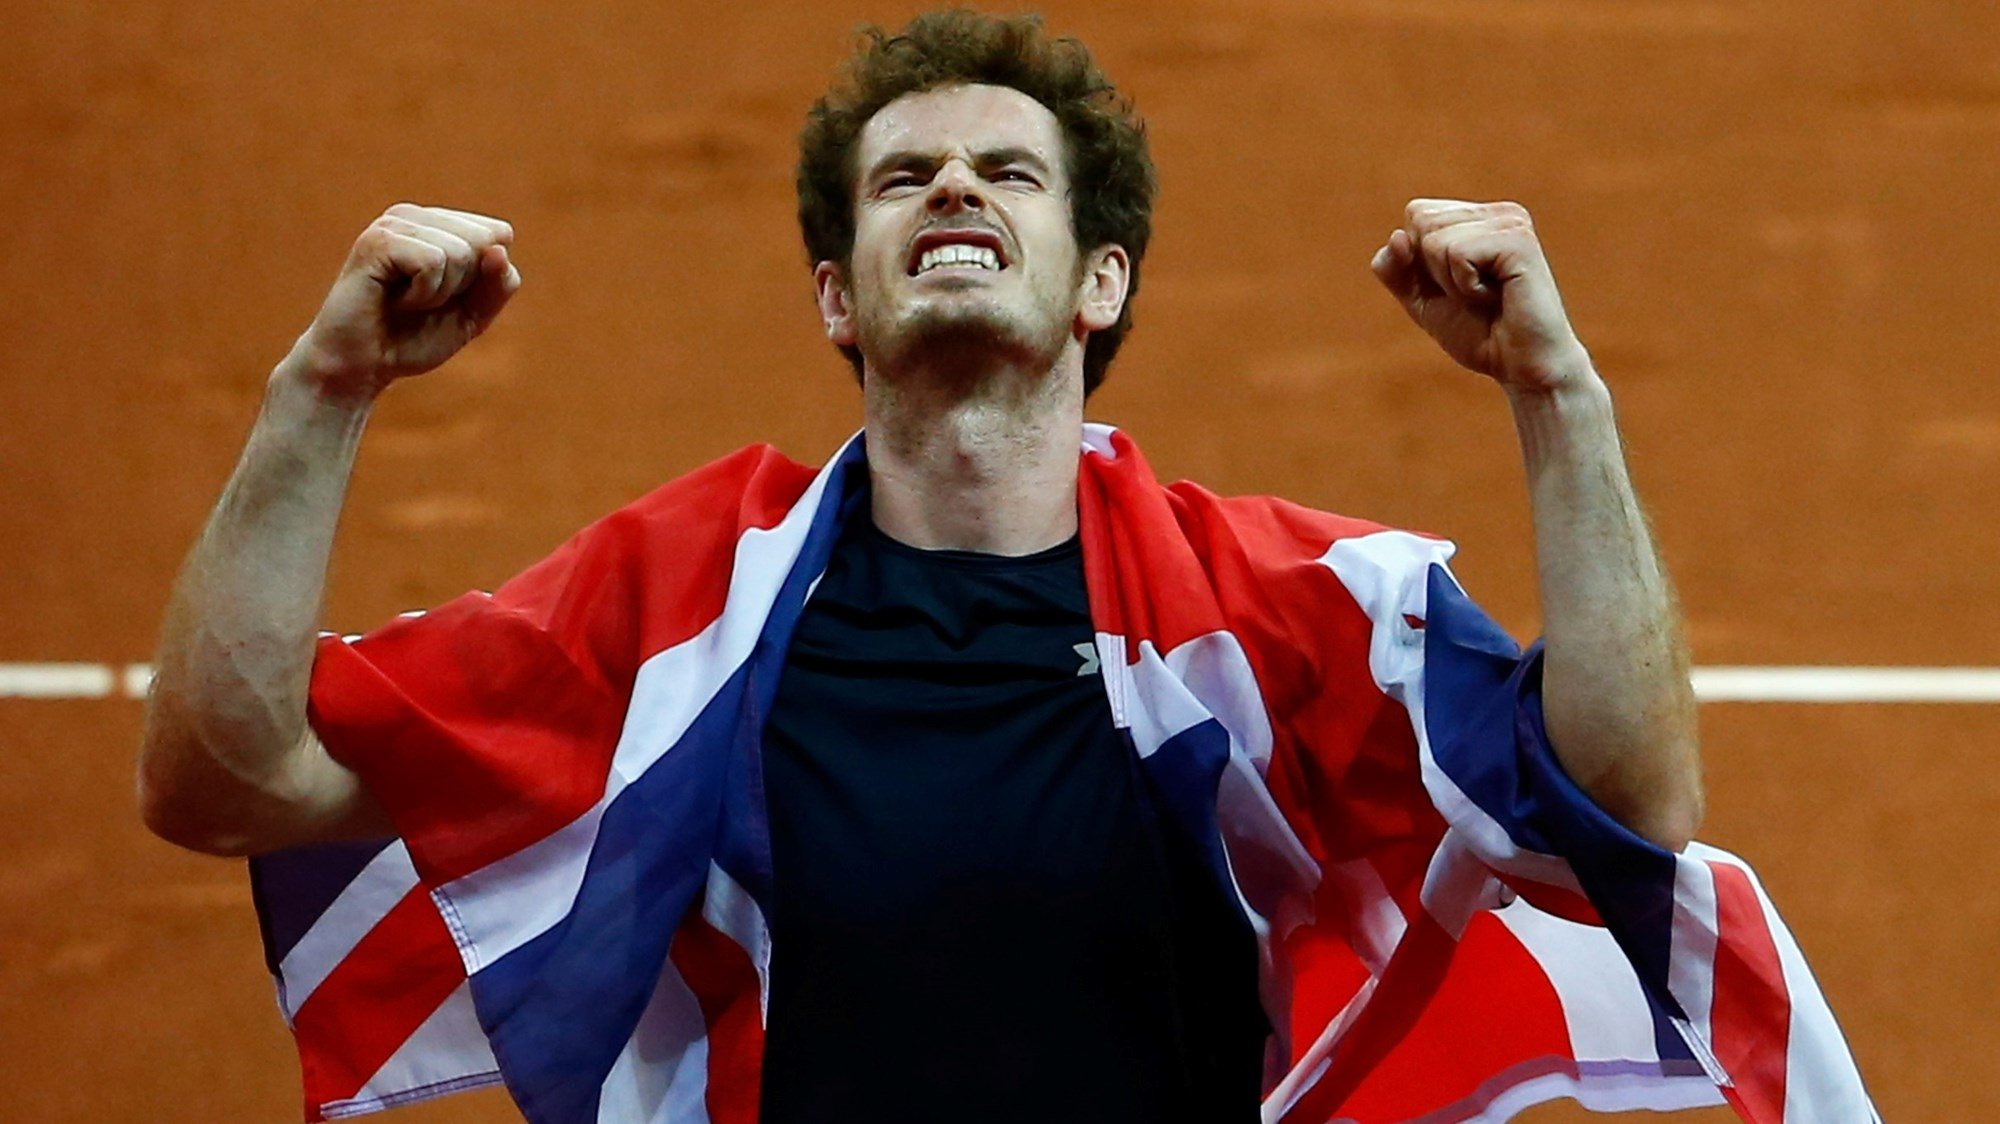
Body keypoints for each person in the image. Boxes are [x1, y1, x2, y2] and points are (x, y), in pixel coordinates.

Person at [138, 11, 1868, 1124]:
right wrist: (324, 388)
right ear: (840, 296)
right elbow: (222, 781)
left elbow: (1633, 794)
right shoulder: (687, 606)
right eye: (901, 178)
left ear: (1097, 283)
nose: (952, 179)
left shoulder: (1267, 613)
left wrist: (1558, 391)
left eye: (1007, 172)